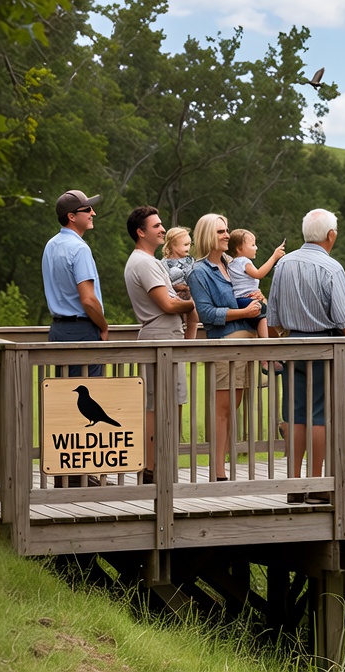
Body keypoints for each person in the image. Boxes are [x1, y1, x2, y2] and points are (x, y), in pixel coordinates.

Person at [266, 208, 345, 505]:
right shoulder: (332, 268)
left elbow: (273, 316)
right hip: (324, 348)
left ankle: (294, 483)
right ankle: (316, 483)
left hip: (291, 345)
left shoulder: (284, 264)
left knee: (293, 415)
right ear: (331, 235)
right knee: (319, 416)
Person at [187, 214, 263, 481]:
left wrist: (258, 297)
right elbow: (206, 314)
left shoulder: (233, 265)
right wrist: (241, 313)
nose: (227, 235)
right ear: (208, 235)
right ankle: (217, 471)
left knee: (235, 407)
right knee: (222, 408)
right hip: (224, 345)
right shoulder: (199, 272)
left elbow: (246, 293)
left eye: (228, 230)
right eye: (221, 231)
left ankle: (226, 467)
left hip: (245, 345)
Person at [123, 207, 196, 483]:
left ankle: (160, 466)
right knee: (156, 407)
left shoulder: (149, 262)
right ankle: (152, 470)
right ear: (141, 232)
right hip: (160, 338)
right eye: (156, 226)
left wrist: (180, 296)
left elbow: (167, 297)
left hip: (166, 337)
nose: (162, 230)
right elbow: (166, 305)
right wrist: (196, 303)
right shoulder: (143, 262)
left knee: (170, 404)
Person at [42, 189, 109, 377]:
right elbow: (88, 300)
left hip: (57, 331)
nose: (93, 213)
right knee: (87, 396)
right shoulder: (80, 249)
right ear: (71, 216)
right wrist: (103, 327)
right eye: (87, 209)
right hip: (82, 331)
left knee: (64, 396)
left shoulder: (51, 245)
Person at [226, 228, 286, 339]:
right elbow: (259, 274)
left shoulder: (231, 264)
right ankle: (265, 342)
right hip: (247, 299)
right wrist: (274, 257)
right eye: (253, 245)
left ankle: (270, 338)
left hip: (238, 300)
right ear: (239, 249)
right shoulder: (244, 261)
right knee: (264, 312)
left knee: (263, 314)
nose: (256, 248)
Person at [162, 226, 199, 339]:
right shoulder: (164, 263)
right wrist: (177, 288)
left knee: (193, 317)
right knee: (176, 318)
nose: (188, 247)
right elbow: (165, 281)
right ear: (173, 245)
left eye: (189, 244)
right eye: (185, 244)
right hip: (174, 294)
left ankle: (190, 340)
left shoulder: (190, 260)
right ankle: (178, 337)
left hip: (190, 294)